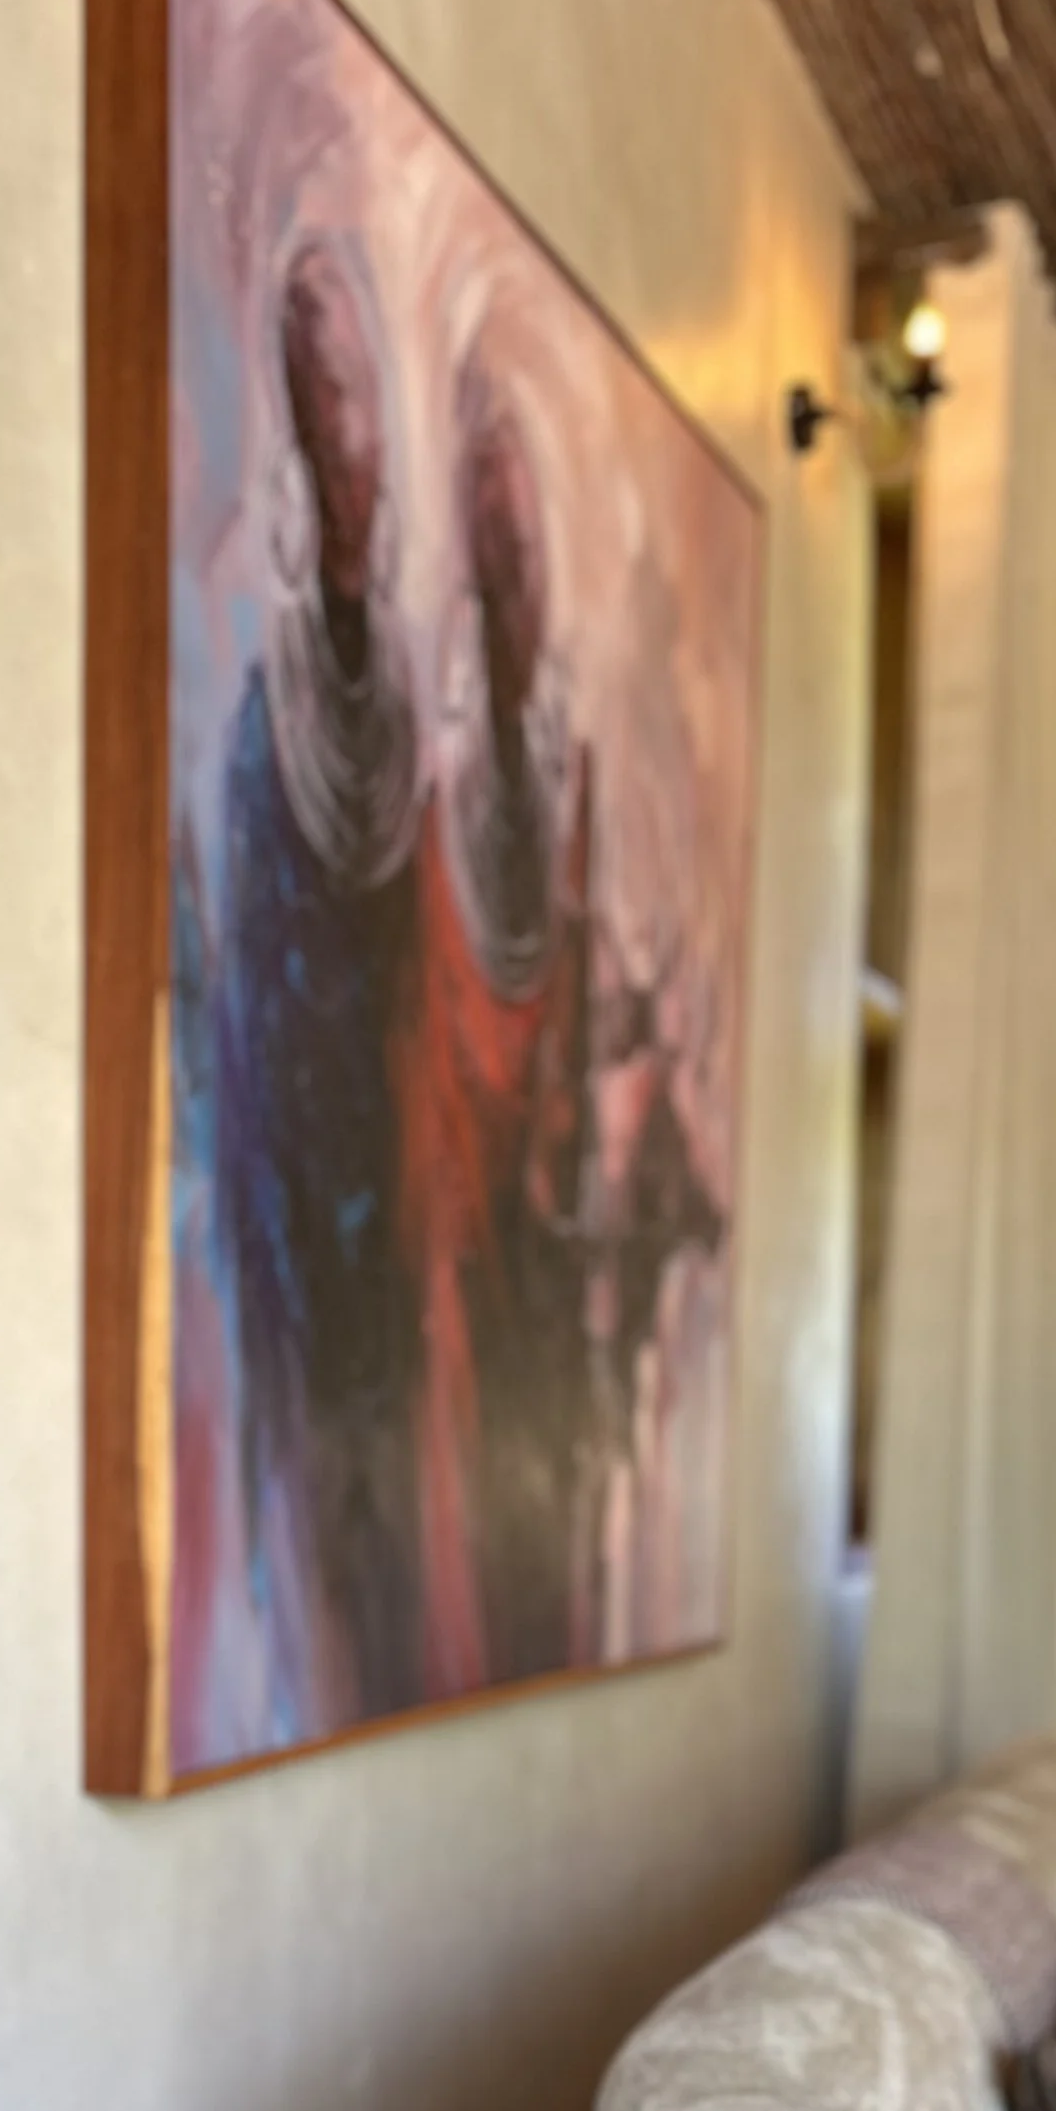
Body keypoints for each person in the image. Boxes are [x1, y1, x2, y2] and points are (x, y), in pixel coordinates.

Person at [214, 234, 427, 1726]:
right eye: (324, 399)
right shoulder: (262, 735)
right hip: (316, 1255)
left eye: (363, 398)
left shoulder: (431, 736)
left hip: (416, 1250)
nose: (351, 436)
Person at [401, 359, 597, 1691]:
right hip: (453, 1245)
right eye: (496, 552)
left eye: (530, 552)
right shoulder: (431, 792)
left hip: (545, 1262)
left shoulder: (572, 800)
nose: (512, 584)